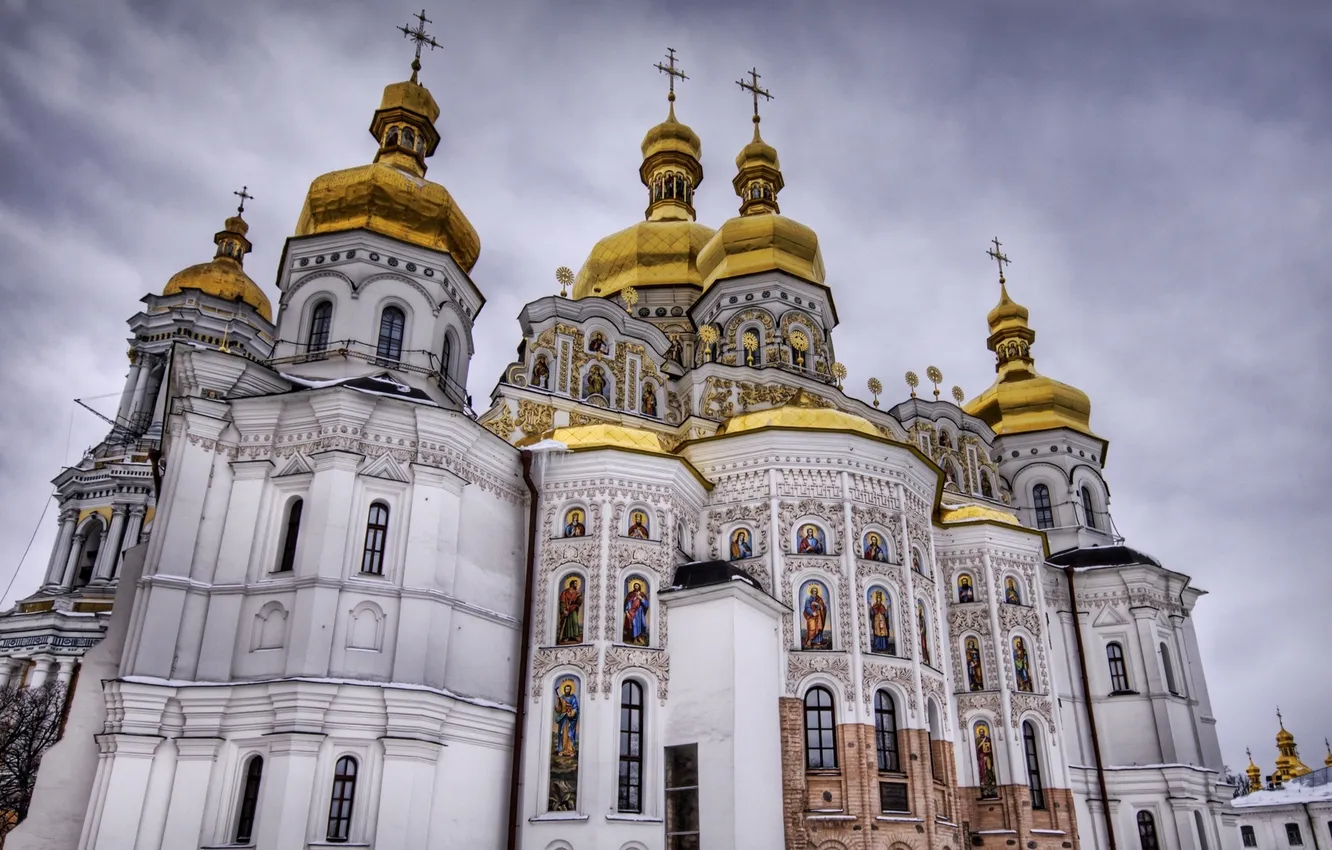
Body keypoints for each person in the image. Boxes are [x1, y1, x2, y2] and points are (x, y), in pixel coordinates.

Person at [554, 680, 579, 757]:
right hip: (563, 718)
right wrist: (558, 702)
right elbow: (558, 709)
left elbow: (575, 708)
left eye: (568, 689)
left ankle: (570, 750)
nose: (567, 690)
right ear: (564, 690)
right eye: (566, 689)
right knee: (562, 733)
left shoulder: (573, 698)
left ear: (570, 690)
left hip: (570, 719)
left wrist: (572, 713)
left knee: (570, 734)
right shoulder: (561, 698)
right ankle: (562, 749)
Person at [623, 580, 650, 645]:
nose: (636, 587)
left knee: (642, 624)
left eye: (637, 586)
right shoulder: (631, 594)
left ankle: (640, 638)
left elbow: (646, 604)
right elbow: (627, 603)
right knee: (634, 625)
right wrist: (627, 611)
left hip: (640, 611)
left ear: (639, 587)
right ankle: (634, 638)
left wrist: (641, 599)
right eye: (635, 586)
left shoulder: (642, 594)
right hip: (633, 612)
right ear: (634, 587)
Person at [557, 577, 583, 645]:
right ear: (571, 584)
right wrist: (563, 610)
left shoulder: (577, 593)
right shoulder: (565, 592)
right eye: (575, 584)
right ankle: (566, 636)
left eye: (577, 584)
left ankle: (575, 635)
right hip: (567, 609)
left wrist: (580, 599)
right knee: (567, 623)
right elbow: (562, 602)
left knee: (574, 621)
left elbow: (578, 603)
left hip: (573, 609)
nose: (576, 585)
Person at [803, 585, 828, 649]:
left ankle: (818, 641)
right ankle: (810, 641)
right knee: (812, 627)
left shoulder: (819, 599)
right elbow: (807, 607)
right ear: (811, 591)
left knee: (819, 627)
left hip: (818, 616)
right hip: (811, 616)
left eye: (816, 591)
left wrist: (817, 604)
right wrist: (812, 612)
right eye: (814, 591)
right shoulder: (808, 598)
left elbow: (823, 607)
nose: (815, 592)